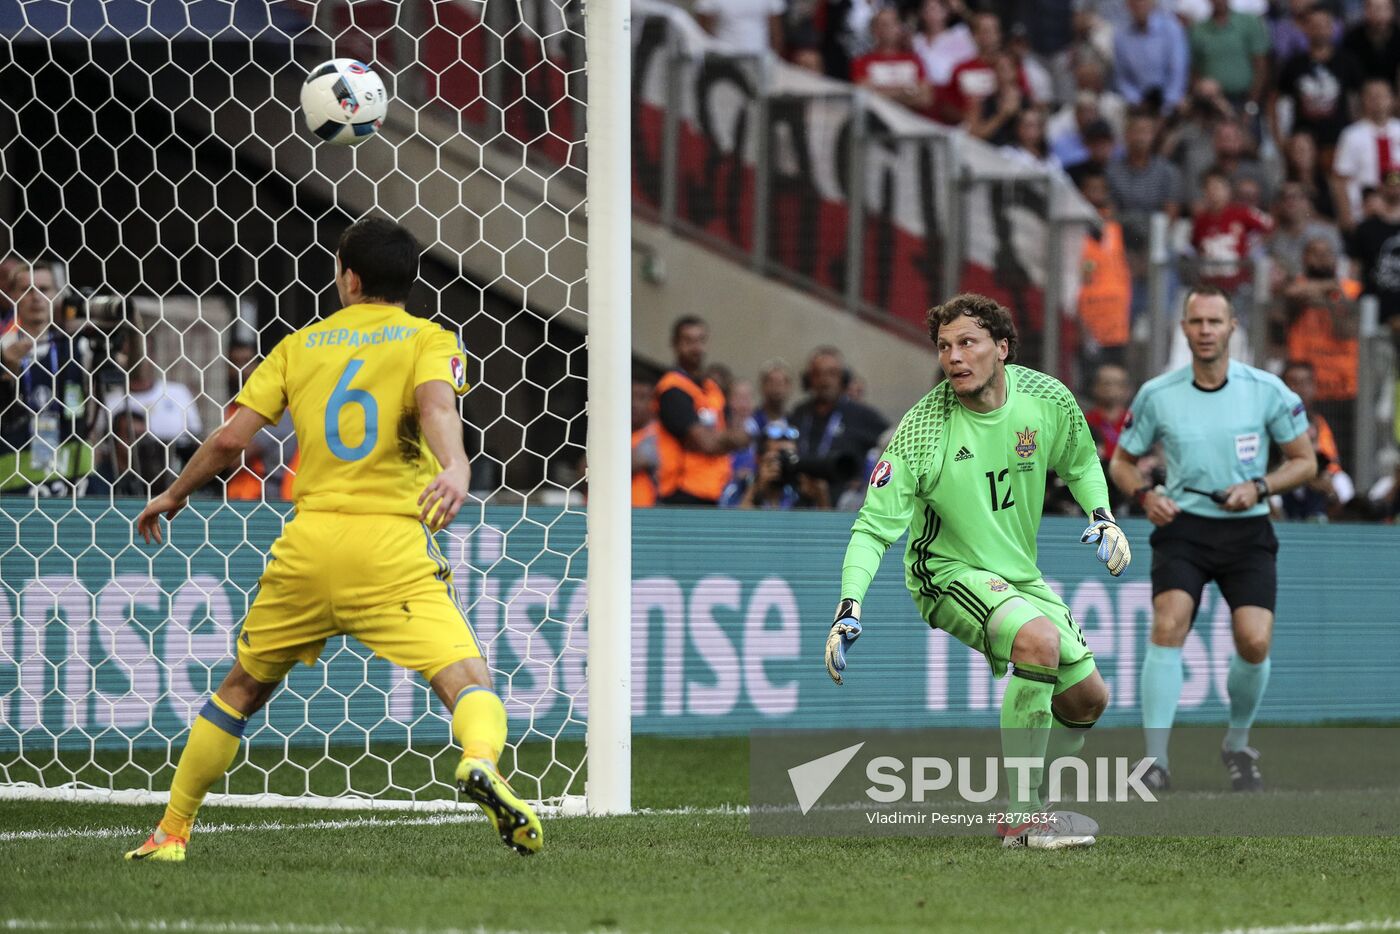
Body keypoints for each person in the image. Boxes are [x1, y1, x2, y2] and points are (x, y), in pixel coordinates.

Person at [122, 217, 542, 862]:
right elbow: (436, 407)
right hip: (391, 547)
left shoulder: (300, 345)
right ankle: (479, 761)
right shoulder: (430, 339)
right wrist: (456, 467)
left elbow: (231, 439)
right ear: (409, 279)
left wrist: (174, 494)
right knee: (465, 677)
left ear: (349, 278)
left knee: (240, 689)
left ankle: (171, 832)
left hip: (310, 544)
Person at [826, 292, 1128, 849]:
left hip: (1017, 574)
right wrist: (849, 605)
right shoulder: (921, 432)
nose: (954, 357)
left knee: (1088, 698)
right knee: (1037, 642)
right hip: (945, 572)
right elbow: (872, 528)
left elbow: (1082, 461)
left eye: (967, 343)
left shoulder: (1046, 398)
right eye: (944, 346)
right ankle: (1022, 817)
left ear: (1002, 349)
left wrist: (1103, 516)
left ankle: (1041, 804)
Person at [1109, 285, 1316, 793]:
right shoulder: (1157, 394)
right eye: (1196, 322)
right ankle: (1155, 762)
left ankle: (1237, 745)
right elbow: (1120, 462)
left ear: (1232, 328)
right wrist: (1145, 496)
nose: (1205, 331)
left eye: (1214, 322)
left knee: (1254, 640)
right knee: (1168, 624)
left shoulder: (1267, 390)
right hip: (1184, 530)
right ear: (1183, 328)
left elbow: (1305, 462)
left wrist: (1259, 487)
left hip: (1247, 533)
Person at [0, 261, 94, 494]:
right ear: (11, 296)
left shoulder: (79, 347)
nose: (36, 297)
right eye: (26, 290)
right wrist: (8, 370)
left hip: (76, 484)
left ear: (58, 295)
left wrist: (132, 328)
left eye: (44, 289)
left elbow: (132, 374)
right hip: (13, 489)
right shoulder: (3, 348)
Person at [1278, 237, 1360, 465]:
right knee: (1300, 451)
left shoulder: (1351, 288)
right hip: (1302, 388)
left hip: (1343, 388)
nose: (1321, 258)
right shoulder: (1297, 284)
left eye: (1327, 253)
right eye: (1315, 253)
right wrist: (1327, 287)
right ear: (1304, 258)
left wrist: (1331, 296)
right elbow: (1292, 294)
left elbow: (1347, 329)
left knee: (1343, 456)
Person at [653, 316, 750, 506]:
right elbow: (707, 443)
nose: (695, 348)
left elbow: (742, 436)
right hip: (681, 492)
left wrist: (722, 439)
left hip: (715, 490)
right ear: (675, 344)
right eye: (688, 341)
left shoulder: (711, 388)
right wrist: (727, 439)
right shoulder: (672, 389)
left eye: (700, 340)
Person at [788, 345, 888, 499]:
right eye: (818, 374)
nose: (824, 380)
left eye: (831, 374)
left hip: (845, 508)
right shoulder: (798, 413)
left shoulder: (862, 415)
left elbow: (892, 441)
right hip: (799, 501)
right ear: (809, 379)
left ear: (844, 379)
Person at [1270, 5, 1359, 162]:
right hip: (1304, 146)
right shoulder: (1294, 65)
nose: (1320, 30)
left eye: (1324, 25)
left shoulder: (1347, 62)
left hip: (1340, 142)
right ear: (1305, 28)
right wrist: (1280, 139)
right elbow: (1274, 101)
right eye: (1315, 25)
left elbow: (1358, 100)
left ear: (1332, 28)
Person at [1280, 359, 1353, 519]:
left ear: (1314, 387)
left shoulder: (1320, 424)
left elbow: (1331, 463)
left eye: (1306, 383)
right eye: (1294, 382)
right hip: (1285, 479)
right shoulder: (1274, 422)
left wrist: (1323, 482)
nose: (1300, 389)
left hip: (1316, 479)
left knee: (1343, 483)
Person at [1076, 170, 1133, 360]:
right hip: (1085, 315)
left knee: (1115, 373)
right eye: (1091, 189)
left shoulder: (1116, 226)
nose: (1096, 195)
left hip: (1116, 314)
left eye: (1100, 190)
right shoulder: (1070, 228)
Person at [1331, 78, 1400, 231]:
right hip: (1363, 212)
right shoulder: (1351, 135)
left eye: (1382, 96)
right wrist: (1346, 216)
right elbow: (1340, 179)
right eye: (1372, 96)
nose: (1377, 101)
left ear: (1392, 99)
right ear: (1363, 100)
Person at [1188, 0, 1269, 114]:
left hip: (1245, 100)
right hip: (1213, 104)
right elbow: (1194, 70)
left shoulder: (1249, 22)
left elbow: (1261, 65)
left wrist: (1252, 104)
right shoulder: (1198, 30)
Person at [1112, 0, 1189, 113]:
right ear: (1127, 5)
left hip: (1170, 102)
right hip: (1137, 105)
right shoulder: (1120, 36)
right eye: (1133, 2)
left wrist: (1167, 105)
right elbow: (1122, 77)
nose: (1139, 4)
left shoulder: (1172, 29)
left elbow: (1178, 72)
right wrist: (1137, 101)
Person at [851, 6, 933, 112]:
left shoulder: (914, 60)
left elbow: (926, 99)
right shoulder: (861, 62)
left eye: (893, 23)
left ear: (899, 28)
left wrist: (881, 92)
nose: (889, 28)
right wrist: (908, 91)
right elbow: (864, 96)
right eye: (884, 24)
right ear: (874, 30)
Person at [694, 0, 786, 56]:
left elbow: (776, 32)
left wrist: (772, 60)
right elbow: (703, 32)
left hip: (759, 57)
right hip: (724, 59)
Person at [632, 374, 659, 508]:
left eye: (642, 398)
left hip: (644, 516)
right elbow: (582, 470)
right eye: (630, 397)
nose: (634, 404)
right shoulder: (611, 432)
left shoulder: (657, 434)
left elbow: (631, 463)